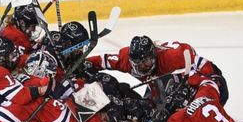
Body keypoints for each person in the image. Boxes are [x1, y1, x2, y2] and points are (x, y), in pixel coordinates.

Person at [87, 35, 229, 105]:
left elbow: (206, 68)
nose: (143, 67)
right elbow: (102, 60)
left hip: (193, 85)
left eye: (146, 62)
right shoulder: (125, 59)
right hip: (161, 86)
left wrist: (212, 87)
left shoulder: (174, 56)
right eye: (138, 64)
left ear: (154, 55)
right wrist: (83, 63)